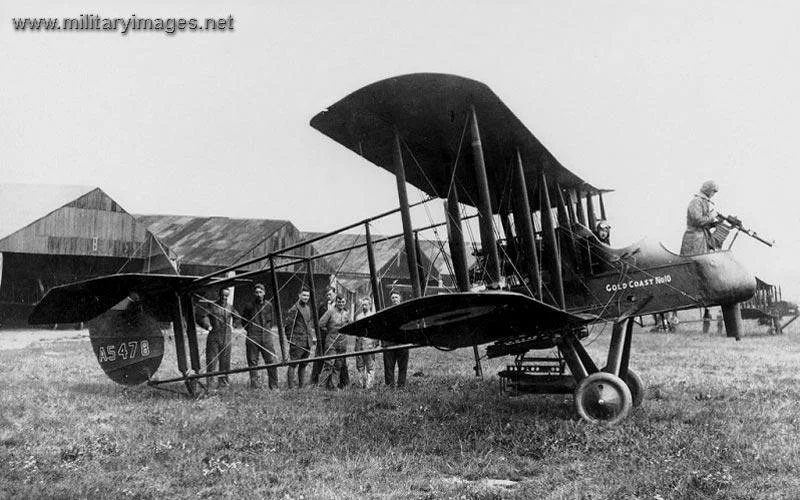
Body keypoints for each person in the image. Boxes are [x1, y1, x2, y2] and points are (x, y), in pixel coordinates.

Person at [199, 287, 240, 389]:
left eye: (226, 296)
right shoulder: (212, 306)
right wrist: (207, 325)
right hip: (214, 337)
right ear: (219, 295)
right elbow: (202, 316)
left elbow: (238, 317)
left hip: (226, 337)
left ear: (228, 296)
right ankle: (210, 384)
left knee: (225, 362)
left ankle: (223, 383)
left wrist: (235, 324)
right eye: (222, 295)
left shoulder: (230, 307)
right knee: (212, 361)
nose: (224, 298)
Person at [242, 283, 278, 389]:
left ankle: (274, 386)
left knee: (271, 360)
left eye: (260, 292)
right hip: (253, 336)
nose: (258, 294)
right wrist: (252, 330)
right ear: (254, 293)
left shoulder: (269, 305)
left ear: (264, 293)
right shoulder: (249, 306)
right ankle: (255, 387)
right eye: (256, 292)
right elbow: (244, 322)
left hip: (266, 336)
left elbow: (271, 321)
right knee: (253, 361)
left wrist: (266, 331)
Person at [317, 294, 351, 390]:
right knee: (329, 363)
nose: (341, 304)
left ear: (345, 302)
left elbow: (350, 323)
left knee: (338, 365)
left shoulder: (346, 313)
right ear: (336, 302)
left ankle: (333, 386)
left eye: (343, 302)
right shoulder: (330, 312)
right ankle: (321, 386)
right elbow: (320, 324)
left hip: (343, 341)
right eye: (339, 302)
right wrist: (329, 331)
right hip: (331, 341)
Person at [284, 287, 317, 388]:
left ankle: (301, 386)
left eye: (307, 295)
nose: (306, 297)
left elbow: (308, 325)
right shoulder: (294, 309)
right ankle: (291, 387)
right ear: (299, 295)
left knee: (303, 364)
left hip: (307, 342)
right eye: (304, 295)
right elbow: (288, 326)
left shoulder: (307, 308)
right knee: (293, 364)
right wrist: (291, 340)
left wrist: (312, 338)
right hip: (297, 342)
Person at [680, 180, 719, 256]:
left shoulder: (703, 201)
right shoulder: (696, 201)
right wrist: (711, 217)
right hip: (694, 239)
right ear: (707, 190)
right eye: (713, 191)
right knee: (693, 262)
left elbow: (703, 224)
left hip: (701, 239)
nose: (714, 194)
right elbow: (698, 221)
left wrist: (715, 224)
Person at [383, 290, 409, 388]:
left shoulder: (405, 311)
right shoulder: (387, 312)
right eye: (393, 298)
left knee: (402, 366)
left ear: (400, 299)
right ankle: (390, 386)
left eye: (396, 297)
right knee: (389, 366)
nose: (394, 300)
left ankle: (401, 386)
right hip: (390, 343)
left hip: (402, 342)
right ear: (391, 299)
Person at [310, 286, 336, 384]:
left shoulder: (339, 306)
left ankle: (338, 382)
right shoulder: (322, 306)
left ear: (335, 293)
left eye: (330, 294)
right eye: (327, 295)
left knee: (336, 359)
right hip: (323, 336)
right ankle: (314, 381)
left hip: (334, 336)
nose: (329, 296)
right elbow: (317, 322)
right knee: (318, 357)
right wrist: (315, 336)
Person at [354, 296, 378, 388]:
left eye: (366, 305)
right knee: (360, 366)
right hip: (359, 345)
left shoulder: (373, 316)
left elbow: (376, 332)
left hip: (369, 345)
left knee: (370, 366)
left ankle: (369, 386)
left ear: (370, 305)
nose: (364, 307)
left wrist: (375, 343)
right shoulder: (358, 317)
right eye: (362, 305)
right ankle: (360, 385)